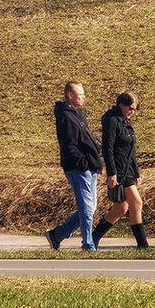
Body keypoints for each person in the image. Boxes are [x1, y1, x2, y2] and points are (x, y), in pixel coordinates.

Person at [45, 82, 103, 251]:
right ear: (70, 95)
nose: (83, 98)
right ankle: (88, 244)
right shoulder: (65, 116)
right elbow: (69, 144)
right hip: (78, 167)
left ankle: (57, 235)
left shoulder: (78, 114)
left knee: (91, 208)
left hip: (90, 166)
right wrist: (83, 162)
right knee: (86, 208)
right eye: (80, 95)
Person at [93, 92, 148, 248]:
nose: (132, 112)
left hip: (128, 170)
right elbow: (108, 148)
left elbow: (131, 150)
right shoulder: (112, 121)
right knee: (136, 203)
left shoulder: (126, 122)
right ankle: (143, 245)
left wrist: (136, 172)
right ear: (121, 105)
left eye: (135, 109)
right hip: (118, 170)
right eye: (130, 108)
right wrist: (112, 172)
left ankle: (93, 239)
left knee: (120, 208)